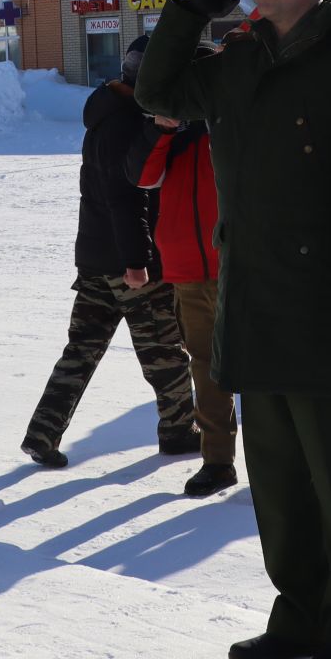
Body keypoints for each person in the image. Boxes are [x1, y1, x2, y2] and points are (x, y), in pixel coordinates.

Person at [136, 0, 331, 659]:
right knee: (281, 490)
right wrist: (194, 7)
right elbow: (154, 91)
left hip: (328, 307)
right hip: (252, 302)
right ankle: (297, 621)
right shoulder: (238, 58)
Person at [21, 34, 197, 470]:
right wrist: (137, 262)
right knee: (164, 351)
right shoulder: (124, 125)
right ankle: (178, 431)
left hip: (96, 258)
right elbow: (126, 200)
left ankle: (42, 432)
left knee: (81, 349)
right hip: (126, 261)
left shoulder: (107, 112)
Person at [131, 51, 238, 497]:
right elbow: (142, 177)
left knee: (265, 366)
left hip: (242, 265)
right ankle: (218, 460)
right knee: (206, 366)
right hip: (187, 268)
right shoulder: (168, 129)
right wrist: (163, 129)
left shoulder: (237, 118)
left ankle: (287, 463)